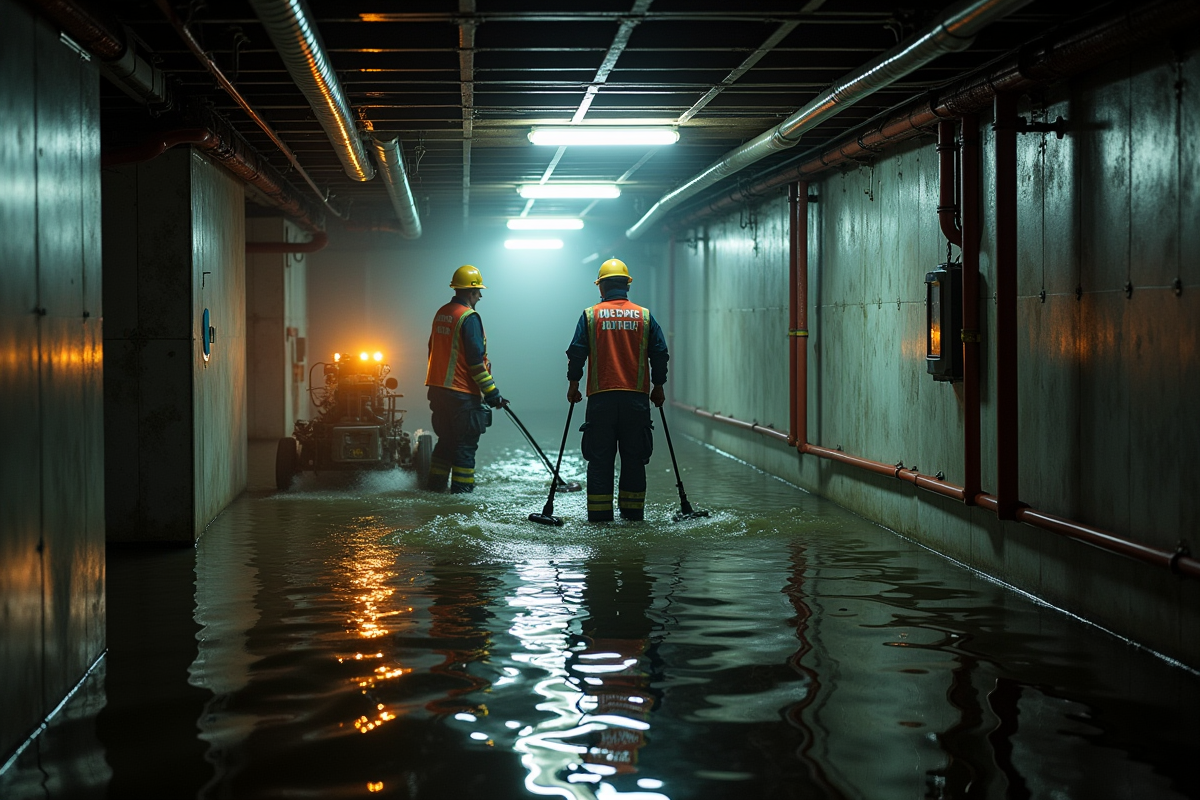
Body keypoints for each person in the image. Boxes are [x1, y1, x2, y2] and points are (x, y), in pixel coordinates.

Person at [566, 258, 669, 522]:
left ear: (601, 287)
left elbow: (577, 352)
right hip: (636, 400)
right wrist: (658, 386)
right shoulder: (644, 316)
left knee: (600, 461)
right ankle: (633, 517)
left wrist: (574, 383)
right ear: (627, 286)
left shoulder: (591, 315)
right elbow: (659, 353)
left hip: (601, 401)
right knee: (635, 460)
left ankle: (600, 521)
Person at [424, 265, 506, 493]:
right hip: (461, 394)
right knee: (465, 447)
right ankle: (461, 498)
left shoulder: (442, 312)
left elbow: (433, 350)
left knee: (446, 443)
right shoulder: (469, 318)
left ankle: (434, 489)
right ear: (470, 292)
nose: (480, 295)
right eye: (478, 291)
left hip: (438, 391)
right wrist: (493, 394)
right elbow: (475, 364)